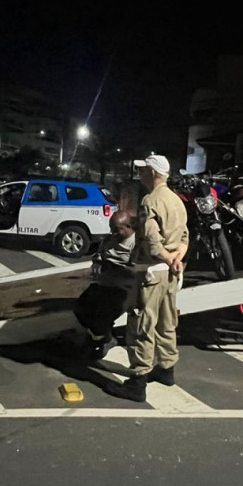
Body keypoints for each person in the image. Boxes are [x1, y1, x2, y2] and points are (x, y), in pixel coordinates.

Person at [117, 154, 188, 402]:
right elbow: (185, 236)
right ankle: (166, 369)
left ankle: (138, 382)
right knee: (167, 322)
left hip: (152, 271)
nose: (141, 174)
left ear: (153, 173)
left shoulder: (150, 200)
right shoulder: (176, 201)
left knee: (141, 325)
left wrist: (167, 258)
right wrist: (177, 257)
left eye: (144, 170)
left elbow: (151, 241)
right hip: (172, 272)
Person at [74, 210, 138, 360]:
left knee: (101, 315)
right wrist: (97, 262)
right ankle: (101, 336)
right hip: (104, 282)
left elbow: (136, 271)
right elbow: (100, 254)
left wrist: (112, 268)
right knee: (80, 308)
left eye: (117, 230)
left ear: (128, 226)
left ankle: (106, 339)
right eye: (111, 229)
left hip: (123, 288)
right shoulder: (110, 239)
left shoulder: (136, 244)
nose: (113, 233)